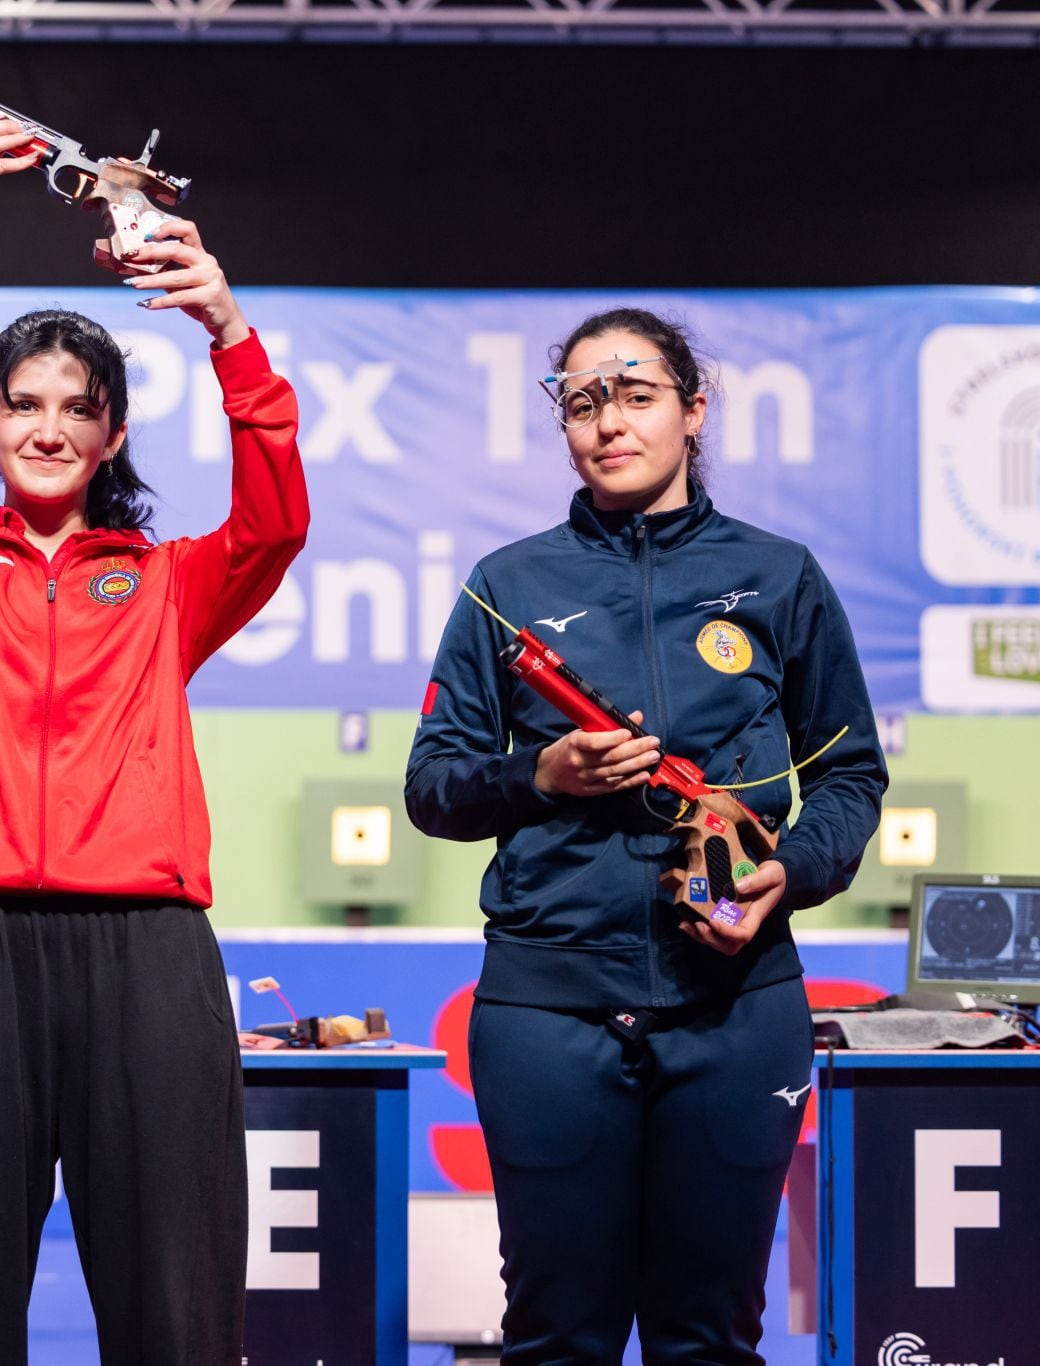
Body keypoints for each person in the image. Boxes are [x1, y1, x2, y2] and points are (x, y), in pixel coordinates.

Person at [0, 109, 309, 1366]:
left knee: (177, 1319)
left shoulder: (166, 583)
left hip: (144, 957)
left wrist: (223, 324)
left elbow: (272, 518)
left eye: (75, 408)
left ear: (109, 436)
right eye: (22, 405)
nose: (46, 427)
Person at [405, 309, 888, 1362]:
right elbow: (433, 788)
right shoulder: (506, 588)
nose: (605, 423)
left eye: (633, 395)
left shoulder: (779, 576)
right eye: (581, 403)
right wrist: (539, 773)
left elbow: (849, 775)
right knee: (554, 1339)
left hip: (735, 1009)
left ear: (691, 409)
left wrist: (787, 873)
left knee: (705, 1339)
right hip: (546, 1012)